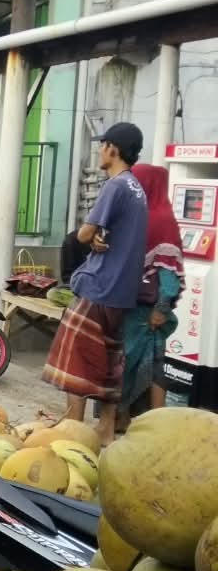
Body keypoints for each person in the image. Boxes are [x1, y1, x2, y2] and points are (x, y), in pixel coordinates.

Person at [42, 122, 150, 446]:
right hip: (121, 293)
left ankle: (73, 434)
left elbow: (86, 234)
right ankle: (105, 429)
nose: (100, 150)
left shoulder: (115, 186)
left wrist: (85, 240)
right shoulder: (137, 189)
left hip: (99, 286)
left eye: (102, 145)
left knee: (77, 362)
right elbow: (114, 235)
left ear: (113, 149)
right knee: (109, 362)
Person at [119, 163, 184, 422]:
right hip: (129, 306)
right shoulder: (139, 216)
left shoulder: (160, 220)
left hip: (147, 310)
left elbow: (169, 272)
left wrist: (162, 308)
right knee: (131, 363)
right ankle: (124, 417)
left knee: (145, 364)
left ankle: (154, 421)